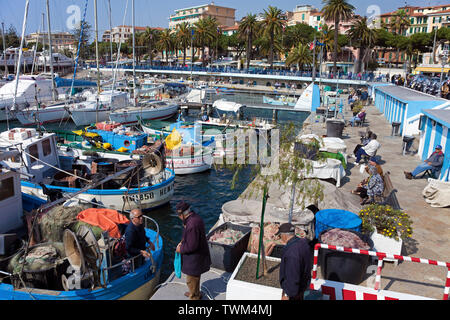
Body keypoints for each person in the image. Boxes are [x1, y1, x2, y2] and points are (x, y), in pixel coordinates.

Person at [175, 201, 211, 300]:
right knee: (195, 278)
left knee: (191, 280)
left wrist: (180, 249)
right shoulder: (195, 218)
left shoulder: (191, 225)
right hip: (198, 256)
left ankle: (194, 296)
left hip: (194, 259)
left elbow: (192, 246)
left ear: (182, 214)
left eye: (178, 215)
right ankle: (194, 292)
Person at [278, 223, 312, 301]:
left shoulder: (292, 254)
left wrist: (287, 294)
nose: (280, 238)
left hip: (294, 293)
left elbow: (292, 276)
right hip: (303, 286)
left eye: (280, 236)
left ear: (284, 235)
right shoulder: (303, 243)